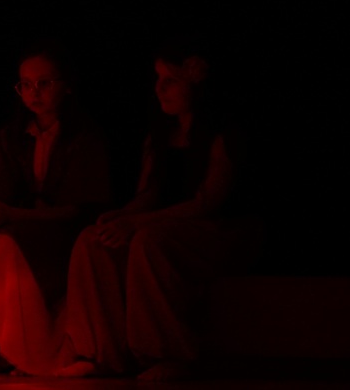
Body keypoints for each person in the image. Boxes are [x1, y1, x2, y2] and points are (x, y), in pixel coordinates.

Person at [57, 45, 254, 381]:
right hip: (166, 226)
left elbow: (207, 203)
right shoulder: (160, 135)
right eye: (157, 79)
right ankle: (101, 353)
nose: (159, 88)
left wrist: (137, 223)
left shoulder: (223, 136)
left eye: (170, 80)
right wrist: (122, 216)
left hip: (219, 230)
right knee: (92, 240)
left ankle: (165, 354)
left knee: (148, 241)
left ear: (196, 84)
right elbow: (150, 194)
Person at [0, 43, 109, 375]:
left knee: (7, 245)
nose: (34, 93)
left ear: (66, 85)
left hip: (62, 230)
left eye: (44, 83)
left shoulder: (84, 137)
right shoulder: (13, 135)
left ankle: (31, 350)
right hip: (21, 224)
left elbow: (76, 209)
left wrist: (11, 214)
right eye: (26, 84)